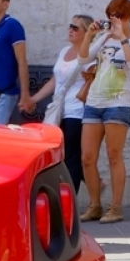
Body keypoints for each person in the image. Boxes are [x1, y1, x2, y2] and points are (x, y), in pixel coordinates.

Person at [78, 0, 130, 224]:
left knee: (114, 155)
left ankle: (115, 207)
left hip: (118, 102)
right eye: (111, 16)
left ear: (128, 17)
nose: (115, 20)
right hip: (94, 102)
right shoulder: (105, 38)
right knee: (87, 157)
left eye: (119, 16)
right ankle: (94, 204)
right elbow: (83, 58)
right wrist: (90, 34)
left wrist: (123, 38)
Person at [28, 14, 94, 193]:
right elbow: (55, 80)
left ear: (86, 32)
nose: (70, 30)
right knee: (57, 155)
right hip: (59, 111)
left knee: (71, 156)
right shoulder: (64, 51)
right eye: (70, 26)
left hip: (77, 111)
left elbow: (92, 82)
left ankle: (71, 197)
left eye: (75, 28)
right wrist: (34, 99)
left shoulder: (89, 56)